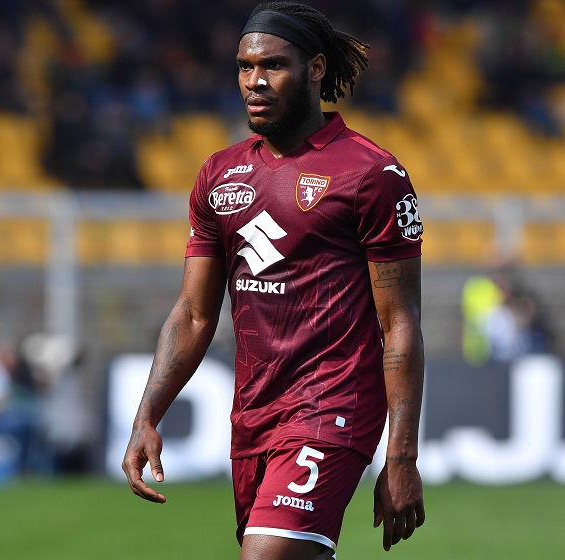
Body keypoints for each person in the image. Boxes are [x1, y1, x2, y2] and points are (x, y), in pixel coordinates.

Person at [121, 3, 426, 559]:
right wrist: (147, 415)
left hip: (333, 404)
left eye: (273, 66)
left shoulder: (371, 174)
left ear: (315, 68)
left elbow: (400, 321)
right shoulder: (220, 174)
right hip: (254, 414)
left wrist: (400, 456)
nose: (254, 82)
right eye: (244, 67)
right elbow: (193, 313)